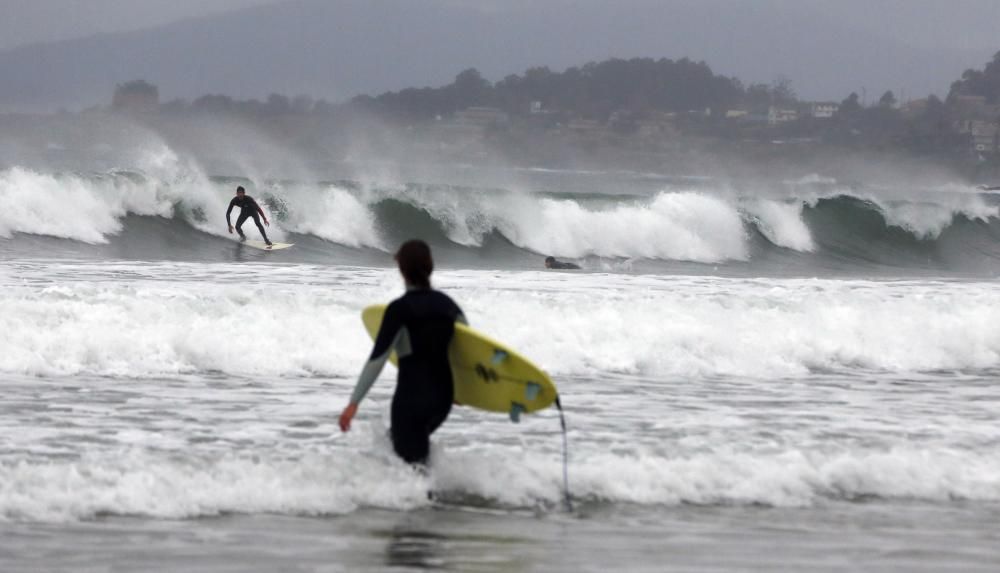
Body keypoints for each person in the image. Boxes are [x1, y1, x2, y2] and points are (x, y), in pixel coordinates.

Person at [339, 240, 467, 465]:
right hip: (442, 400)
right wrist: (462, 391)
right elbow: (465, 351)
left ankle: (425, 498)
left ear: (401, 269)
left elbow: (377, 359)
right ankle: (438, 495)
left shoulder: (399, 310)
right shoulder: (449, 306)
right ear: (430, 266)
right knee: (405, 451)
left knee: (411, 462)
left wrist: (353, 403)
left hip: (412, 399)